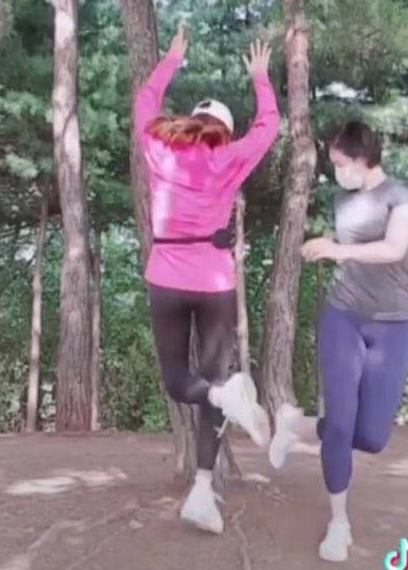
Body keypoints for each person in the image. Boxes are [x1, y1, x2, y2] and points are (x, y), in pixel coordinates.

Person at [135, 26, 280, 535]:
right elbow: (268, 127)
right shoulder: (230, 157)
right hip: (215, 281)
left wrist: (172, 60)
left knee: (180, 382)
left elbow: (146, 100)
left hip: (166, 279)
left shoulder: (158, 148)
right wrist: (261, 78)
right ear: (223, 129)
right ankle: (201, 487)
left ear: (191, 121)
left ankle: (206, 479)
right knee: (216, 382)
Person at [269, 120, 408, 564]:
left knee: (372, 437)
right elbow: (354, 244)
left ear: (361, 158)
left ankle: (298, 426)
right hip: (344, 318)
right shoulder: (343, 201)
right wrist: (330, 243)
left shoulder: (403, 198)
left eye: (340, 162)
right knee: (340, 424)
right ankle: (339, 523)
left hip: (393, 325)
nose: (336, 170)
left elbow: (393, 249)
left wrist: (337, 249)